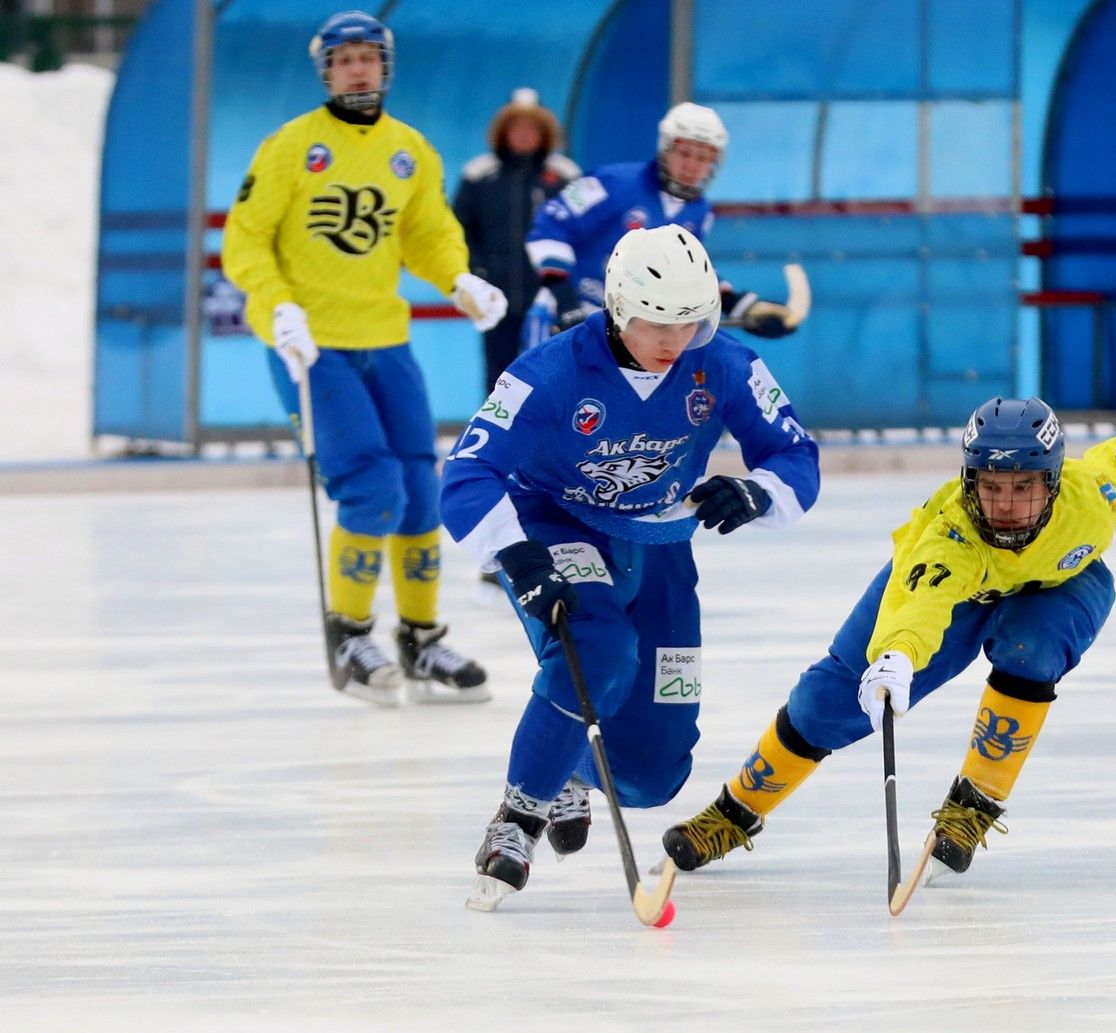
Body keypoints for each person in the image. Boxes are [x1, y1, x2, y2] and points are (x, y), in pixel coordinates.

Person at [660, 397, 1116, 884]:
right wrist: (896, 656)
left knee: (1031, 646)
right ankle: (735, 812)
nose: (1005, 506)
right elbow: (922, 604)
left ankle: (975, 804)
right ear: (969, 481)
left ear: (1054, 483)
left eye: (1023, 488)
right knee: (827, 702)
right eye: (991, 487)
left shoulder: (1093, 495)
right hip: (956, 591)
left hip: (1058, 583)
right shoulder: (949, 536)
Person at [439, 224, 820, 911]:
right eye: (656, 324)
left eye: (692, 323)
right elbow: (467, 470)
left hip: (662, 541)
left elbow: (795, 454)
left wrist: (757, 491)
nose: (675, 344)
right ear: (617, 307)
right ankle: (518, 814)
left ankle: (569, 769)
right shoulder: (550, 372)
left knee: (650, 773)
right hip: (560, 523)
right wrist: (515, 551)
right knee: (598, 646)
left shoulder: (725, 363)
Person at [221, 11, 508, 707]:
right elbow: (245, 239)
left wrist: (459, 278)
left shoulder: (410, 149)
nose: (357, 69)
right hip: (312, 343)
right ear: (326, 71)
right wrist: (277, 303)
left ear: (386, 68)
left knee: (417, 486)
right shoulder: (292, 146)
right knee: (371, 485)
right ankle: (349, 632)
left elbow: (427, 232)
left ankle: (421, 636)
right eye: (344, 59)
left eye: (368, 58)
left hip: (385, 338)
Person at [524, 101, 798, 344]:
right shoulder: (611, 183)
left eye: (703, 158)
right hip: (566, 315)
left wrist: (741, 306)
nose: (692, 166)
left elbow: (689, 271)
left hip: (630, 329)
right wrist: (564, 297)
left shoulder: (699, 212)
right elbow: (549, 228)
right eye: (685, 153)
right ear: (665, 149)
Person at [452, 88, 581, 398]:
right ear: (503, 132)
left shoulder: (565, 177)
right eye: (516, 127)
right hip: (497, 299)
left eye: (532, 127)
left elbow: (582, 233)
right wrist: (477, 273)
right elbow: (458, 231)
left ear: (545, 133)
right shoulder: (479, 176)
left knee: (553, 379)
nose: (524, 135)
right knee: (500, 381)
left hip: (550, 303)